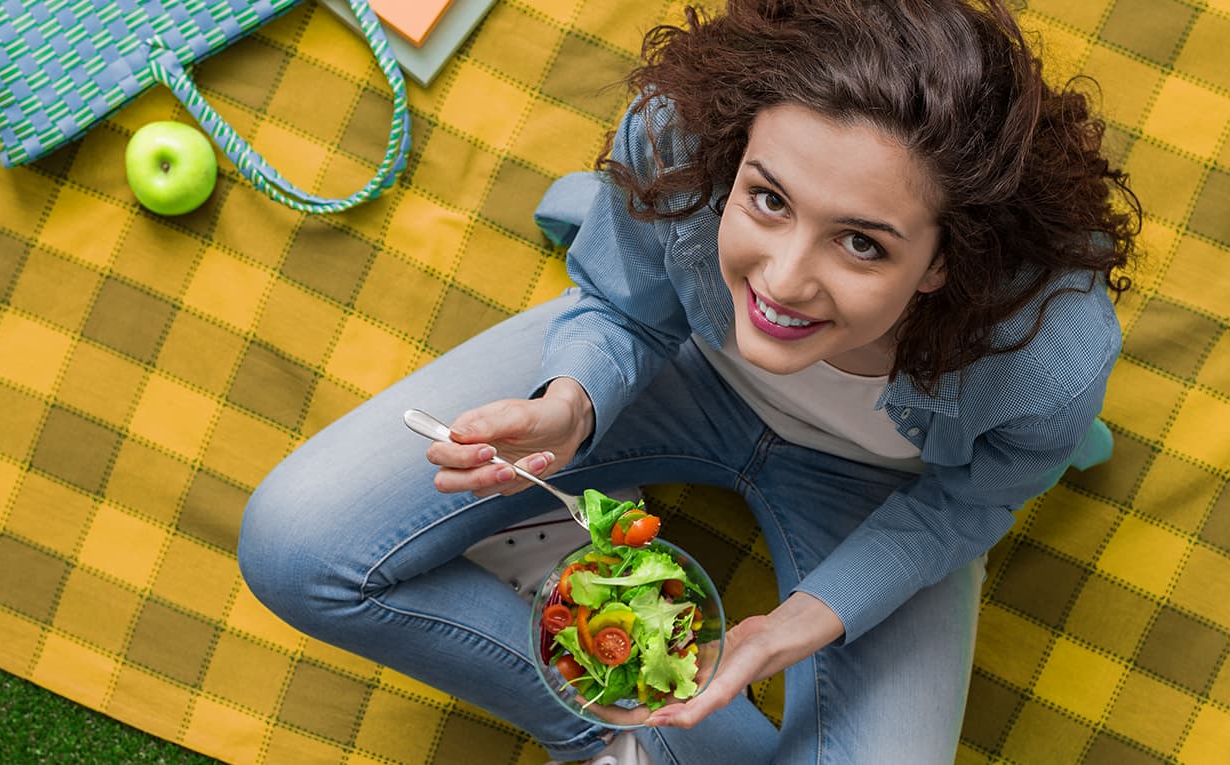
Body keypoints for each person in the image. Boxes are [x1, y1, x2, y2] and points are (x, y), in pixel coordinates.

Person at [235, 0, 1141, 762]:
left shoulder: (1047, 352)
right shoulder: (679, 134)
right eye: (768, 199)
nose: (783, 281)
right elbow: (622, 304)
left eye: (861, 241)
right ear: (732, 157)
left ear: (947, 259)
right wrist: (572, 402)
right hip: (675, 369)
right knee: (294, 547)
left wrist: (806, 621)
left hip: (885, 490)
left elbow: (964, 509)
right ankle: (614, 719)